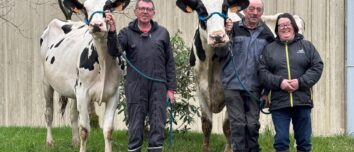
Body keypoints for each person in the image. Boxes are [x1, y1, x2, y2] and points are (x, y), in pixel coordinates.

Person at [105, 0, 177, 151]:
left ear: (153, 13)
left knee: (158, 123)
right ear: (136, 12)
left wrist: (171, 89)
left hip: (159, 86)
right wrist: (112, 31)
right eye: (142, 9)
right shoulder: (126, 33)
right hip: (135, 87)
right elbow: (114, 51)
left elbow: (169, 62)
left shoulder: (162, 33)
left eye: (148, 9)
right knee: (136, 124)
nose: (145, 12)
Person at [258, 13, 323, 152]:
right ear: (276, 30)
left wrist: (300, 82)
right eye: (281, 25)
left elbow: (317, 66)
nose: (285, 27)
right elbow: (262, 72)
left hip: (302, 101)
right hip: (279, 103)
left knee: (304, 142)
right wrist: (280, 82)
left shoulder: (306, 46)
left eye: (288, 24)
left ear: (294, 27)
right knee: (281, 142)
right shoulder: (269, 49)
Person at [218, 0, 274, 151]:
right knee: (238, 125)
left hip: (255, 88)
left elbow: (270, 65)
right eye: (251, 9)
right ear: (245, 10)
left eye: (258, 10)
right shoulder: (232, 28)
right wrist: (226, 33)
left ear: (262, 12)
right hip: (233, 86)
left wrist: (266, 92)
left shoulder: (267, 34)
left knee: (252, 125)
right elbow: (220, 53)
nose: (255, 12)